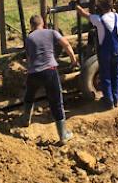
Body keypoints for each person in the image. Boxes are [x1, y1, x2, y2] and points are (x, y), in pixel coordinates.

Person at [20, 14, 78, 144]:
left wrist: (29, 72)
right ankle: (63, 135)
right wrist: (73, 60)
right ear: (43, 23)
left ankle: (25, 120)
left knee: (29, 95)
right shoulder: (52, 32)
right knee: (56, 102)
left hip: (34, 73)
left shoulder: (29, 38)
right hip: (50, 71)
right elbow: (66, 44)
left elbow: (29, 59)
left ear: (31, 25)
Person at [76, 0, 118, 110]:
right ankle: (115, 100)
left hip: (105, 52)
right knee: (115, 75)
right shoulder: (117, 16)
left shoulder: (99, 20)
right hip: (117, 51)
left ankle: (109, 101)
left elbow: (83, 14)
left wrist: (75, 6)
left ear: (100, 7)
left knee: (105, 76)